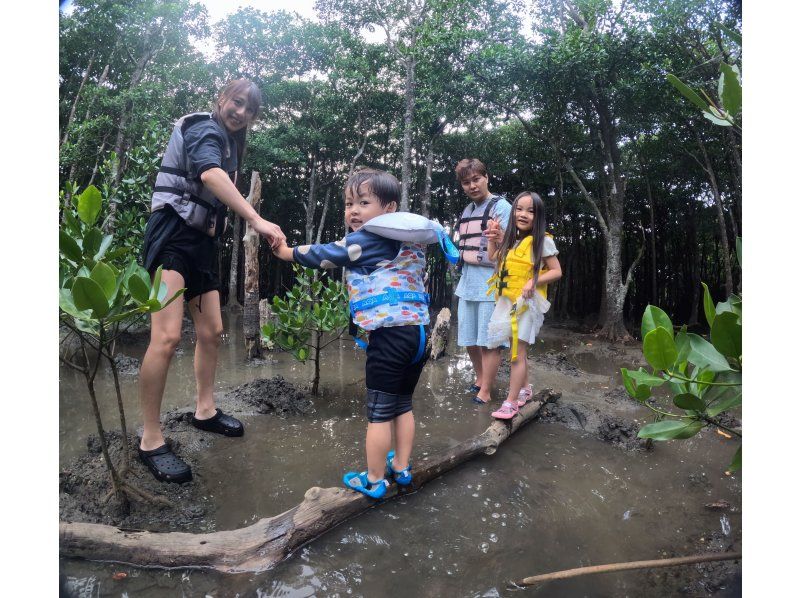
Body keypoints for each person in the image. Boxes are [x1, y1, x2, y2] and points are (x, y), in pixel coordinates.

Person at [137, 79, 286, 483]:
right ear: (222, 98)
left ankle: (205, 410)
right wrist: (254, 218)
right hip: (172, 236)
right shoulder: (205, 128)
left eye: (249, 110)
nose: (240, 113)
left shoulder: (231, 142)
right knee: (166, 338)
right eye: (236, 103)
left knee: (213, 330)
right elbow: (209, 175)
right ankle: (150, 439)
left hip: (202, 244)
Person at [271, 169, 435, 499]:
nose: (354, 211)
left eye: (363, 202)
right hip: (418, 334)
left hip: (389, 338)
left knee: (377, 412)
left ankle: (375, 479)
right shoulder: (413, 239)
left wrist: (286, 251)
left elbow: (325, 254)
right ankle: (401, 466)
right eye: (349, 204)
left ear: (390, 209)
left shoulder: (370, 239)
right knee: (403, 404)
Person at [483, 191, 562, 419]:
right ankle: (525, 389)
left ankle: (511, 402)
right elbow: (493, 260)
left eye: (531, 211)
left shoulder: (543, 241)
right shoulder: (512, 240)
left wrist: (533, 280)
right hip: (507, 301)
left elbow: (557, 271)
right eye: (519, 209)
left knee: (517, 353)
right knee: (517, 349)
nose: (523, 214)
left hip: (526, 304)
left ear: (539, 217)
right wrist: (492, 239)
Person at [453, 158, 511, 405]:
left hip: (491, 281)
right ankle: (479, 379)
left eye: (476, 179)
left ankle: (486, 390)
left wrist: (499, 237)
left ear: (487, 177)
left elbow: (512, 246)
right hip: (467, 280)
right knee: (468, 337)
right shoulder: (467, 211)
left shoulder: (502, 206)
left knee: (490, 340)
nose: (472, 186)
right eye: (466, 182)